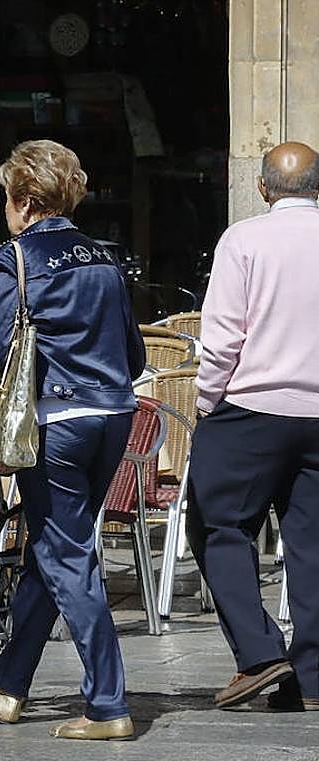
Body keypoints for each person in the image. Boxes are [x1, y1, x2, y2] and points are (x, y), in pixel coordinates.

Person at [0, 140, 146, 740]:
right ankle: (9, 681)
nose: (5, 208)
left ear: (25, 201)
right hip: (114, 416)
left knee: (67, 553)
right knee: (53, 548)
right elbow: (134, 354)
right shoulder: (103, 259)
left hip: (56, 422)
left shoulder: (16, 258)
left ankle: (108, 704)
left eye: (6, 198)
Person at [186, 142, 319, 712]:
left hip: (251, 407)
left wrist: (206, 400)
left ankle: (261, 654)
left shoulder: (244, 238)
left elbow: (222, 335)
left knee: (216, 525)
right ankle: (313, 679)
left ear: (264, 189)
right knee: (313, 547)